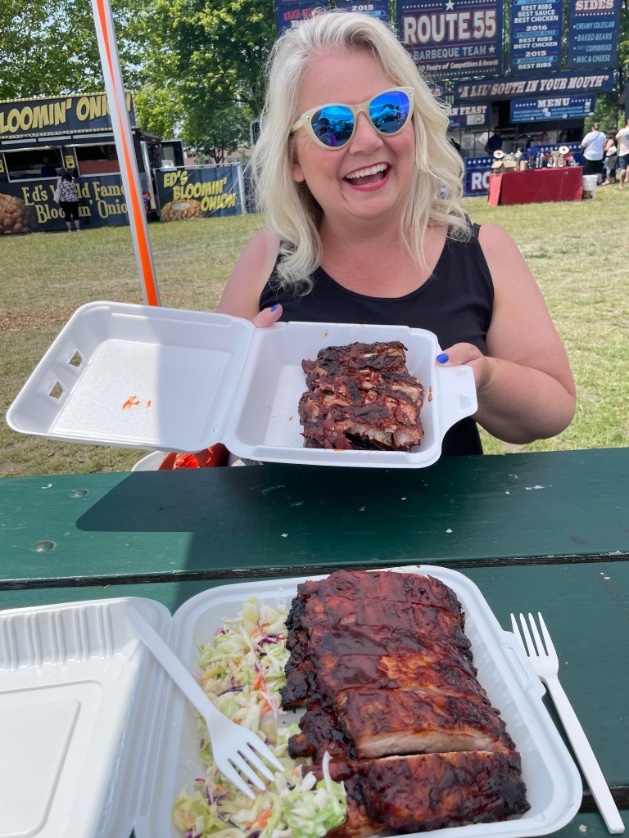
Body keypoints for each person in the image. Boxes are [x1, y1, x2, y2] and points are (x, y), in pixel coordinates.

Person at [218, 12, 575, 456]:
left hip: (445, 522)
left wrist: (483, 377)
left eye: (389, 112)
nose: (367, 141)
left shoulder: (484, 251)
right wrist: (236, 373)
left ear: (415, 123)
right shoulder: (265, 259)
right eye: (331, 125)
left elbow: (555, 409)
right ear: (293, 159)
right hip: (290, 522)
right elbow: (211, 424)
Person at [615, 118, 629, 190]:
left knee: (623, 169)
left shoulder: (622, 131)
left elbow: (617, 138)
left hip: (624, 152)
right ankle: (627, 178)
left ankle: (621, 185)